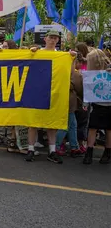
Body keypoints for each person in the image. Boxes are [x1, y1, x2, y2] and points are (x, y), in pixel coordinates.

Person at [26, 30, 65, 163]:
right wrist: (31, 51)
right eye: (51, 37)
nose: (53, 40)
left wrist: (72, 57)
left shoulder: (61, 56)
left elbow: (68, 74)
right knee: (33, 123)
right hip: (37, 92)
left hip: (53, 93)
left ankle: (52, 151)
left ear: (58, 41)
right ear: (45, 39)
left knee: (52, 124)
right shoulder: (37, 53)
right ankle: (30, 149)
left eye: (55, 38)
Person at [83, 49, 111, 164]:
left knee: (109, 129)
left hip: (109, 104)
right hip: (96, 104)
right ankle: (89, 152)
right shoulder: (91, 73)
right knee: (92, 128)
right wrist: (86, 103)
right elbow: (88, 89)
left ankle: (107, 152)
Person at [55, 58, 84, 157]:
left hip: (64, 100)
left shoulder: (60, 70)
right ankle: (57, 146)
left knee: (72, 124)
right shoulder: (75, 74)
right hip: (69, 101)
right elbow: (79, 89)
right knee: (66, 125)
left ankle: (74, 146)